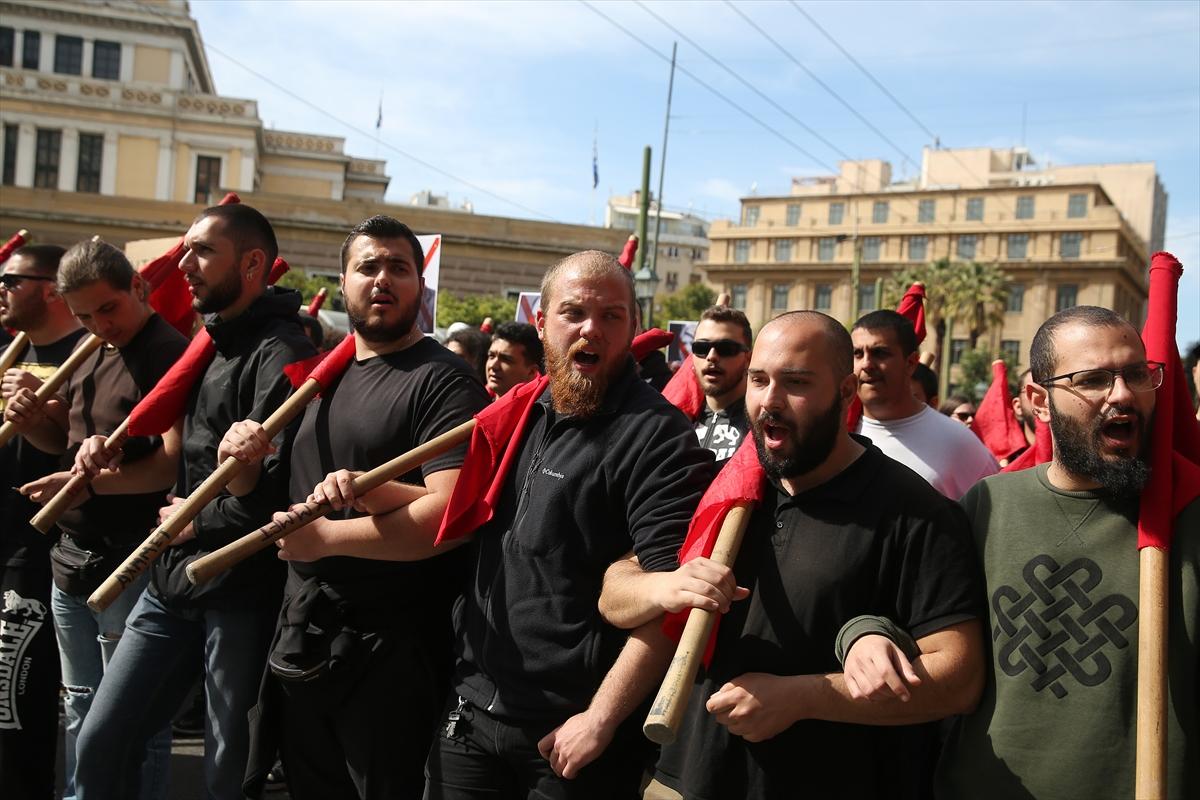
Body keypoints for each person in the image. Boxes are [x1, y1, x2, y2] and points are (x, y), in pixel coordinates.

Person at [605, 311, 987, 800]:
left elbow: (959, 679)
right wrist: (663, 586)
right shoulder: (723, 488)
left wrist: (803, 698)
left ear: (846, 392)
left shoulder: (916, 512)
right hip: (686, 780)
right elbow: (614, 591)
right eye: (759, 380)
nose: (770, 401)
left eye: (797, 382)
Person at [423, 250, 714, 798]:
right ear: (541, 323)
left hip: (568, 740)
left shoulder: (660, 440)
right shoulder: (516, 414)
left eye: (611, 316)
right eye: (574, 313)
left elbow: (669, 605)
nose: (591, 330)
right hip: (470, 710)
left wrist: (600, 720)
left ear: (632, 326)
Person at [218, 215, 490, 798]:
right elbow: (269, 500)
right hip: (303, 635)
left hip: (392, 653)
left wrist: (329, 541)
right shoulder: (319, 383)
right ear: (343, 282)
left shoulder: (445, 382)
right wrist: (240, 466)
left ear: (420, 285)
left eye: (400, 268)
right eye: (368, 267)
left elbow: (450, 522)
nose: (382, 279)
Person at [71, 203, 316, 799]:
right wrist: (111, 447)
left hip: (238, 591)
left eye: (203, 251)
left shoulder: (281, 351)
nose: (184, 263)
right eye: (186, 249)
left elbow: (277, 493)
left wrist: (195, 518)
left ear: (253, 263)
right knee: (101, 738)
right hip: (171, 580)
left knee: (226, 770)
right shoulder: (209, 342)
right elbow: (174, 447)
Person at [936, 306, 1199, 799]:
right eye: (1094, 379)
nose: (1122, 395)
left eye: (1137, 375)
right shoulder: (987, 504)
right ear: (1039, 399)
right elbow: (921, 624)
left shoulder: (1191, 511)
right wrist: (866, 635)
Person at [11, 240, 187, 800]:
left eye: (107, 309)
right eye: (84, 315)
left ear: (138, 287)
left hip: (129, 563)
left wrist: (83, 482)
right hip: (71, 559)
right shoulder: (90, 349)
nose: (98, 325)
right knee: (81, 705)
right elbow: (60, 443)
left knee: (134, 721)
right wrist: (36, 417)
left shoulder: (168, 353)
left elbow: (167, 466)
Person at [0, 244, 85, 800]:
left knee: (15, 705)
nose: (1, 289)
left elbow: (82, 447)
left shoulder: (88, 353)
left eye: (11, 279)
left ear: (51, 288)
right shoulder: (9, 350)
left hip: (32, 554)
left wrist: (43, 417)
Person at [852, 310, 997, 498]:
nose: (866, 364)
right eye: (857, 354)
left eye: (880, 353)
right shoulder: (832, 434)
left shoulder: (959, 443)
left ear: (911, 363)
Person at [689, 305, 752, 464]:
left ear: (748, 359)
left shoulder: (762, 423)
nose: (711, 357)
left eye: (726, 348)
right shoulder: (675, 419)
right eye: (701, 348)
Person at [485, 321, 542, 399]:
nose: (493, 366)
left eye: (505, 359)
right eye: (491, 356)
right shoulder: (474, 404)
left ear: (531, 372)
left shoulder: (537, 410)